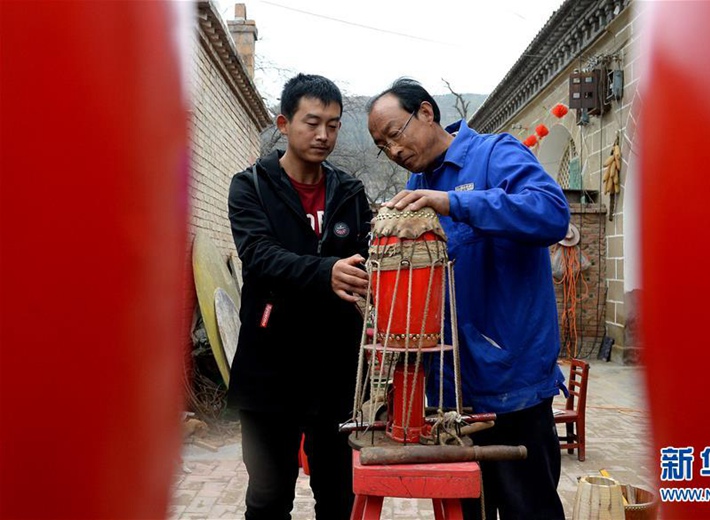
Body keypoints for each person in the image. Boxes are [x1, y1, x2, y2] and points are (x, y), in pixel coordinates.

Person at [366, 78, 571, 520]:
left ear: (425, 112)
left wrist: (457, 203)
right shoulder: (417, 186)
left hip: (511, 386)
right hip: (450, 395)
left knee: (527, 508)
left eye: (395, 134)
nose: (393, 150)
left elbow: (551, 212)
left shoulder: (496, 153)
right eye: (382, 145)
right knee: (466, 511)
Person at [228, 73, 372, 520]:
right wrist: (326, 269)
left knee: (340, 497)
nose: (323, 134)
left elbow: (368, 259)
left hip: (336, 371)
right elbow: (259, 255)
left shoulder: (349, 192)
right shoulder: (250, 185)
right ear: (284, 123)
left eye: (332, 124)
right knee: (269, 499)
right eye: (312, 122)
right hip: (270, 369)